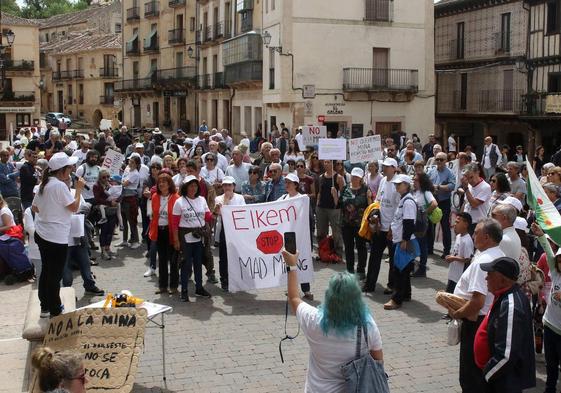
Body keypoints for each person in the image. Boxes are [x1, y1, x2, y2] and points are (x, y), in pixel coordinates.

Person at [283, 249, 383, 392]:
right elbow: (378, 362)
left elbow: (294, 298)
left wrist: (292, 266)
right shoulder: (367, 325)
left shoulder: (314, 319)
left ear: (329, 296)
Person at [448, 218, 505, 393]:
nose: (473, 236)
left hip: (476, 322)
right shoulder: (498, 254)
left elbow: (477, 301)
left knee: (470, 375)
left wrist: (456, 313)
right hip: (488, 319)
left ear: (486, 237)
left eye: (476, 233)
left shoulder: (484, 261)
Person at [32, 152, 85, 318]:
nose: (71, 170)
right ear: (62, 170)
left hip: (42, 233)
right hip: (55, 237)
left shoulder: (45, 183)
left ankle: (45, 307)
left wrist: (50, 213)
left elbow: (35, 208)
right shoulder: (60, 186)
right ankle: (55, 310)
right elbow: (74, 207)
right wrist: (78, 190)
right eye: (69, 168)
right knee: (54, 274)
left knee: (47, 271)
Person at [474, 257, 536, 392]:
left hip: (502, 382)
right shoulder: (503, 296)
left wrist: (486, 376)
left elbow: (506, 355)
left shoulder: (511, 305)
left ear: (502, 280)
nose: (486, 278)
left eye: (490, 274)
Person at [172, 175, 213, 302]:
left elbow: (207, 217)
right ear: (185, 187)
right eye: (190, 185)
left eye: (195, 185)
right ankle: (184, 291)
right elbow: (174, 224)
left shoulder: (201, 200)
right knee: (186, 264)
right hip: (185, 237)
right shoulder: (179, 202)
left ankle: (199, 288)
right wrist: (176, 240)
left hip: (199, 236)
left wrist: (215, 211)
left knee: (198, 264)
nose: (193, 188)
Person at [363, 157, 401, 293]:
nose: (384, 168)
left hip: (392, 229)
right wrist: (375, 216)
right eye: (383, 166)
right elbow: (378, 200)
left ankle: (392, 285)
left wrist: (392, 227)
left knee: (393, 259)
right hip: (380, 227)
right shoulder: (383, 181)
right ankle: (370, 284)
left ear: (394, 168)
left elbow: (398, 209)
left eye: (387, 166)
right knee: (374, 256)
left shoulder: (398, 184)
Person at [383, 174, 418, 310]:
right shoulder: (404, 199)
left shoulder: (408, 201)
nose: (397, 186)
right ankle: (406, 294)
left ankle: (396, 299)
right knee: (403, 268)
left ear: (407, 185)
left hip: (404, 241)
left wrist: (405, 240)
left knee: (399, 270)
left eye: (400, 184)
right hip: (401, 239)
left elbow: (409, 223)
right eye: (396, 184)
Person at [534, 223, 561, 393]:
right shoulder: (556, 273)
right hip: (550, 325)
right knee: (551, 363)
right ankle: (549, 388)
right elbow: (549, 254)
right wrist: (541, 235)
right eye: (559, 260)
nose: (559, 263)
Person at [149, 173, 179, 295]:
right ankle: (162, 286)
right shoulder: (155, 196)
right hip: (159, 231)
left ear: (169, 184)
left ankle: (174, 286)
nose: (161, 184)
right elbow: (153, 214)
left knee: (173, 260)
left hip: (172, 231)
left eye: (164, 182)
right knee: (161, 259)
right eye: (160, 182)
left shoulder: (176, 197)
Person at [214, 176, 245, 292]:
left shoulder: (240, 198)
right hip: (224, 230)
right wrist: (226, 200)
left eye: (229, 185)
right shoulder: (218, 199)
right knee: (224, 257)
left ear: (234, 186)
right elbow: (219, 213)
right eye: (225, 185)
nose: (227, 187)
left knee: (237, 256)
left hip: (237, 231)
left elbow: (243, 212)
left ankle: (236, 279)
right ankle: (224, 280)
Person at [427, 152, 456, 258]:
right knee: (430, 225)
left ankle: (446, 250)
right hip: (433, 200)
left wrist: (439, 187)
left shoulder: (450, 173)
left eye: (441, 159)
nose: (438, 161)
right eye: (437, 159)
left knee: (444, 226)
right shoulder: (431, 171)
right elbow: (427, 183)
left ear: (446, 161)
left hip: (444, 201)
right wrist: (431, 187)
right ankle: (429, 248)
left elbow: (452, 185)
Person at [316, 160, 345, 260]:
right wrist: (317, 204)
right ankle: (322, 252)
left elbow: (344, 194)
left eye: (328, 162)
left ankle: (338, 253)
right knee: (321, 232)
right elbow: (319, 192)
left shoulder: (338, 178)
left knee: (336, 232)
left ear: (332, 164)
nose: (326, 164)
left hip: (334, 209)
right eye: (325, 162)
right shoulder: (321, 177)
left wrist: (336, 194)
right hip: (321, 208)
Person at [411, 172, 437, 278]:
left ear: (422, 182)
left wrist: (424, 212)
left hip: (421, 223)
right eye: (414, 180)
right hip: (414, 222)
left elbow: (434, 204)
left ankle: (422, 269)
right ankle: (414, 267)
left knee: (422, 246)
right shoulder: (414, 192)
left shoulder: (426, 192)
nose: (414, 182)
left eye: (416, 180)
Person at [445, 213, 473, 294]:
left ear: (465, 224)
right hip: (453, 274)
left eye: (457, 222)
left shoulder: (467, 240)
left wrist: (453, 258)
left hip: (459, 277)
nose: (455, 224)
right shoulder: (458, 236)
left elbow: (468, 259)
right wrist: (451, 256)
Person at [93, 169, 118, 260]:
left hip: (111, 211)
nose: (106, 179)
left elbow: (117, 194)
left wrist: (116, 200)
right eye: (104, 177)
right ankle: (103, 251)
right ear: (100, 177)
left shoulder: (111, 184)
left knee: (111, 231)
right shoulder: (96, 186)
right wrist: (110, 203)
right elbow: (97, 199)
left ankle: (108, 248)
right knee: (104, 231)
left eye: (108, 176)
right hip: (102, 211)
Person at [461, 163, 492, 234]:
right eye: (467, 178)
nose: (470, 180)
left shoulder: (485, 187)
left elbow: (474, 204)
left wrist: (466, 189)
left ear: (477, 172)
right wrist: (460, 217)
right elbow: (465, 203)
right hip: (467, 221)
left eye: (471, 177)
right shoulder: (468, 185)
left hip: (477, 223)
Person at [119, 155, 141, 249]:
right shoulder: (127, 169)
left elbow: (124, 183)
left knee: (131, 220)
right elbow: (123, 179)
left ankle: (135, 240)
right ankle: (124, 240)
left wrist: (117, 180)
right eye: (129, 161)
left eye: (132, 162)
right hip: (123, 198)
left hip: (131, 198)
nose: (130, 163)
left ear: (137, 164)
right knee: (123, 220)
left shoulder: (135, 173)